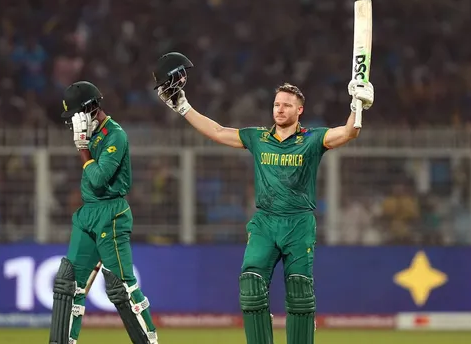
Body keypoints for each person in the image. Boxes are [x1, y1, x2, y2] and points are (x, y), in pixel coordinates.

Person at [153, 52, 374, 344]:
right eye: (277, 104)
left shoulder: (312, 139)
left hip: (298, 224)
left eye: (287, 106)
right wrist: (183, 106)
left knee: (299, 292)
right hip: (265, 223)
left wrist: (357, 106)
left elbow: (348, 133)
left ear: (300, 111)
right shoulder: (258, 137)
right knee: (251, 285)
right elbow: (218, 131)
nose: (280, 110)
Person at [48, 81, 158, 344]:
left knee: (123, 287)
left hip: (111, 213)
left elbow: (98, 179)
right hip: (88, 213)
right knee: (69, 283)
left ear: (91, 107)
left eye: (76, 114)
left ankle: (150, 341)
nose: (74, 122)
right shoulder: (93, 134)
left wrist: (82, 149)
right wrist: (84, 144)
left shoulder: (114, 135)